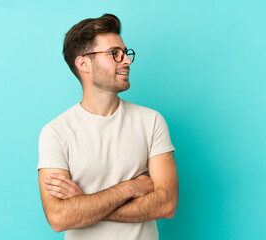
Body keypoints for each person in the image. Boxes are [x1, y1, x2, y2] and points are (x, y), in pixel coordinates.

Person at [37, 13, 178, 240]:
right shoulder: (55, 133)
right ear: (84, 63)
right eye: (115, 53)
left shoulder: (151, 121)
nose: (127, 60)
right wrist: (130, 188)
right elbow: (59, 218)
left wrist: (84, 204)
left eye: (125, 53)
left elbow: (166, 204)